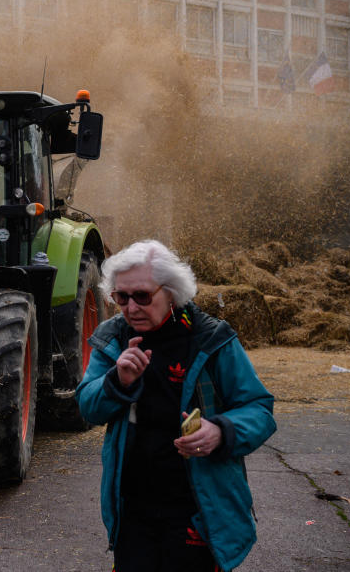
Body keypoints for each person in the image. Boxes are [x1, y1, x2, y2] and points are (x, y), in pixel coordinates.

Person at [75, 240, 276, 572]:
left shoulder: (211, 339)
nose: (130, 307)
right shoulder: (111, 338)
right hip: (133, 507)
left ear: (171, 292)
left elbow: (259, 408)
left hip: (196, 506)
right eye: (120, 297)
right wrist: (117, 381)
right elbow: (87, 407)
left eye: (142, 296)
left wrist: (221, 431)